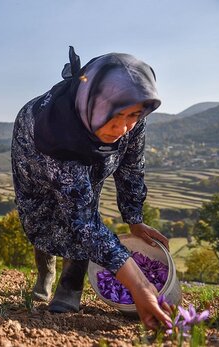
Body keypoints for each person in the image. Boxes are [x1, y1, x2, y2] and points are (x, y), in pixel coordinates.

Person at [11, 46, 171, 330]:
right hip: (36, 156)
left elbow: (131, 166)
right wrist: (140, 285)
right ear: (97, 102)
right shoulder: (54, 135)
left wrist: (134, 218)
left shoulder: (130, 114)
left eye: (133, 116)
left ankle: (70, 284)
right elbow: (82, 220)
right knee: (47, 214)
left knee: (86, 201)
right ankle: (45, 269)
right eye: (117, 116)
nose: (123, 128)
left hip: (86, 158)